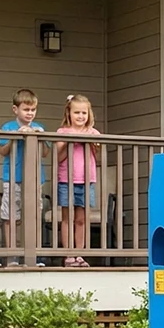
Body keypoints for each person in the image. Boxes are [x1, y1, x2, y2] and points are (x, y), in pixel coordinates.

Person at [0, 88, 47, 267]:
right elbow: (2, 151)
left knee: (33, 216)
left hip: (35, 178)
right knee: (11, 217)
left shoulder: (39, 126)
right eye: (26, 109)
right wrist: (16, 136)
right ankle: (12, 255)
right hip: (13, 177)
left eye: (33, 110)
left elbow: (46, 153)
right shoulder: (8, 127)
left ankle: (34, 256)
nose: (30, 113)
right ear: (16, 109)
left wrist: (39, 137)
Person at [55, 94, 101, 267]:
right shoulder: (62, 132)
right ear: (69, 113)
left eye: (84, 113)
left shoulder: (93, 132)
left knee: (81, 219)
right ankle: (68, 254)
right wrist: (70, 142)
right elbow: (59, 157)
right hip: (67, 179)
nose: (81, 116)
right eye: (77, 113)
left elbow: (98, 150)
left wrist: (90, 141)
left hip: (86, 179)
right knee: (67, 218)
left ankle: (80, 254)